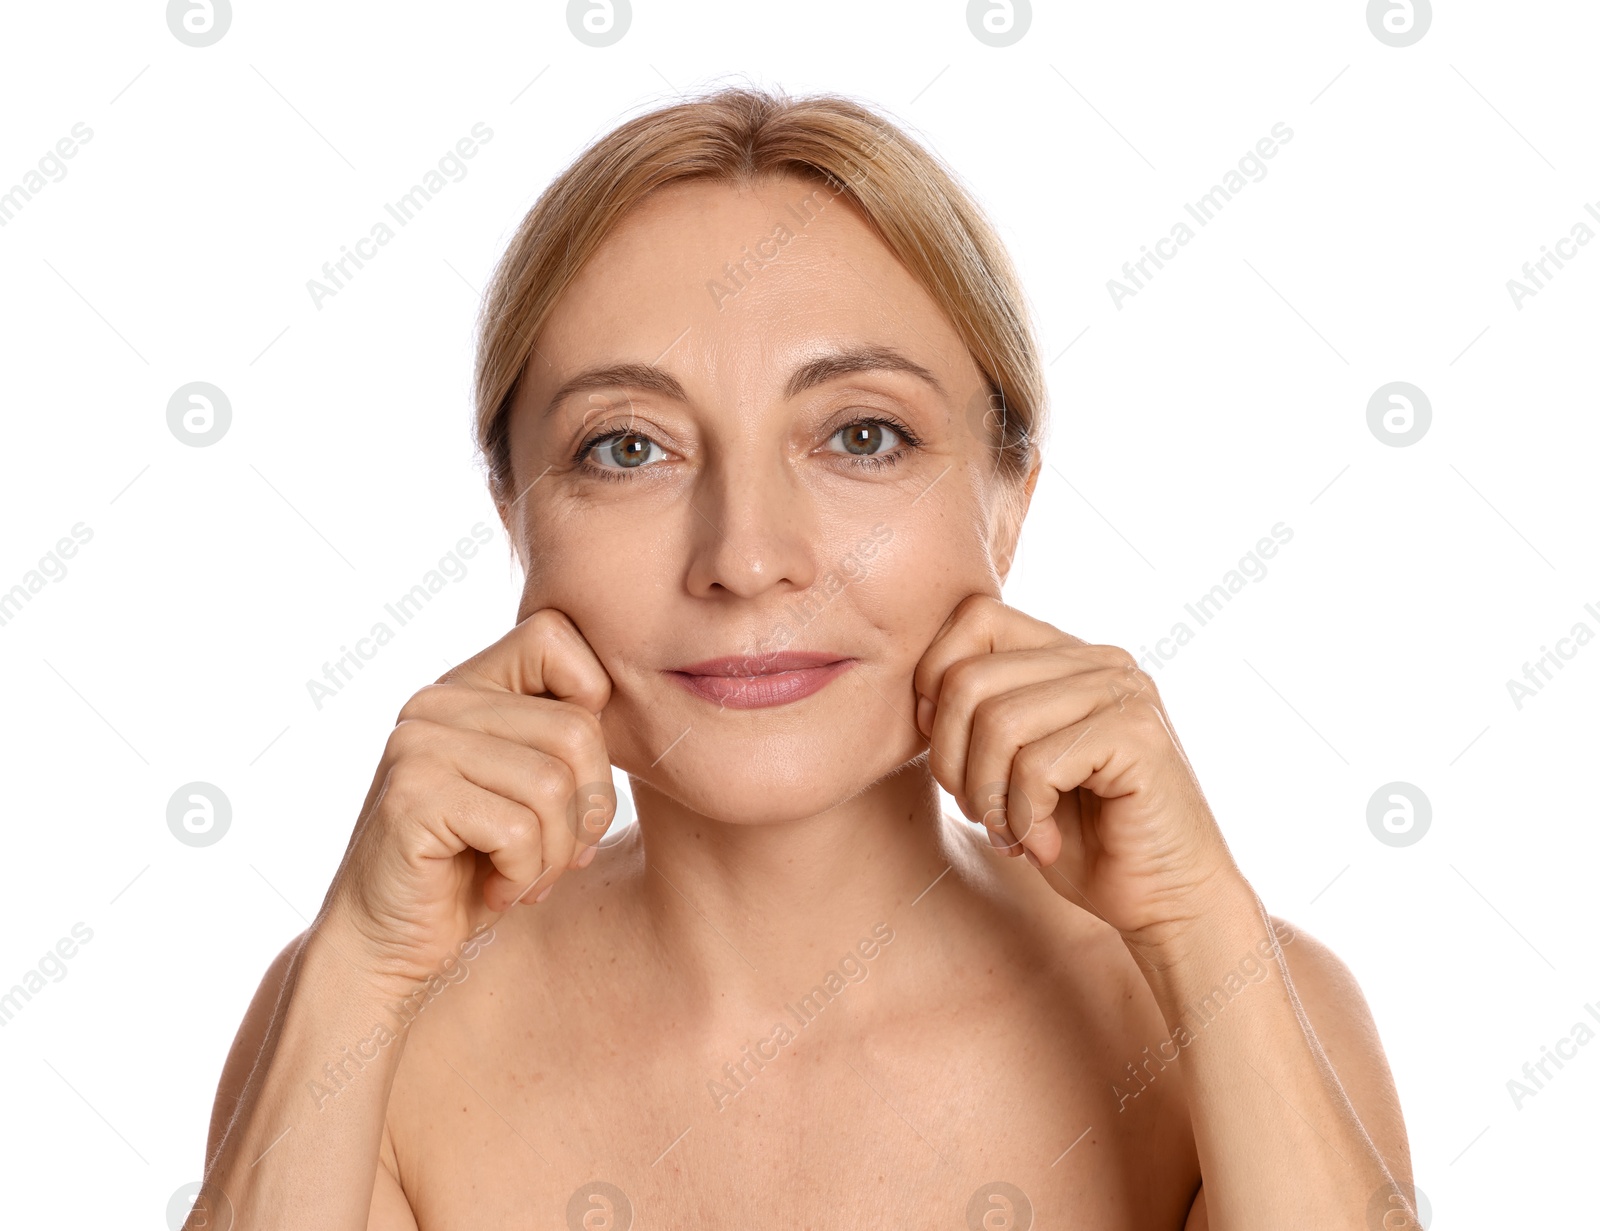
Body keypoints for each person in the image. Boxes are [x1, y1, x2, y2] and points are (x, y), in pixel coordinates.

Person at [193, 83, 1418, 1229]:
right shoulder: (367, 1025)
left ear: (1010, 501)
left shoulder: (1237, 1004)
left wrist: (1201, 926)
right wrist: (358, 966)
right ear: (514, 511)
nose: (747, 556)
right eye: (628, 448)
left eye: (862, 435)